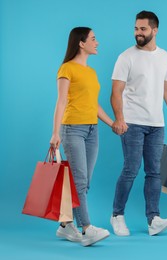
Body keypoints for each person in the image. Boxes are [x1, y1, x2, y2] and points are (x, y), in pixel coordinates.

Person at [110, 10, 167, 236]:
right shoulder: (126, 57)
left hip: (156, 124)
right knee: (131, 169)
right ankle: (117, 215)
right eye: (135, 28)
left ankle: (153, 220)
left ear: (154, 30)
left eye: (142, 29)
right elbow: (116, 91)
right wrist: (120, 119)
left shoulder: (166, 57)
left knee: (154, 172)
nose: (137, 33)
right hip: (132, 123)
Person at [50, 27, 112, 246]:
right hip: (72, 129)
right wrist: (55, 132)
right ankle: (87, 229)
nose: (97, 42)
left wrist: (112, 123)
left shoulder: (91, 73)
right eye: (94, 39)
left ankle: (66, 225)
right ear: (81, 43)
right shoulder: (67, 68)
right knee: (79, 181)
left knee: (83, 184)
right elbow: (61, 101)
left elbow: (93, 105)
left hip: (92, 130)